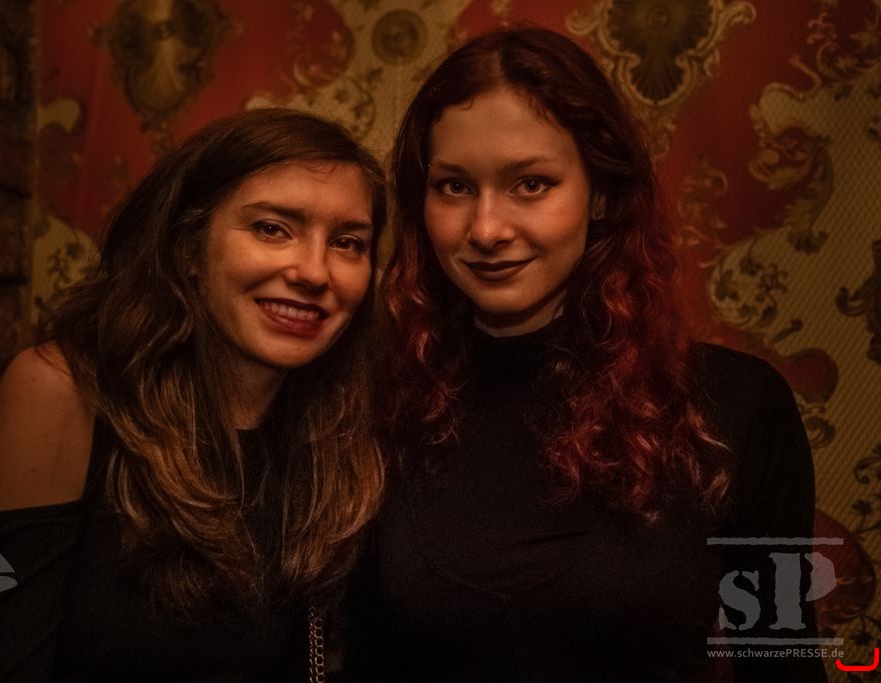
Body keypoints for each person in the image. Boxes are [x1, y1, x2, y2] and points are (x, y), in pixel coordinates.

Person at [342, 28, 827, 681]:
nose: (486, 228)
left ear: (600, 193)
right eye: (454, 186)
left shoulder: (738, 404)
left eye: (531, 184)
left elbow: (785, 661)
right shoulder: (379, 407)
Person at [0, 108, 386, 682]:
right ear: (187, 247)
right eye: (272, 229)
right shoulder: (62, 392)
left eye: (348, 242)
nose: (315, 272)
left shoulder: (343, 427)